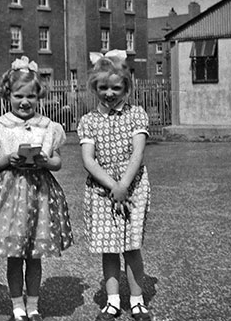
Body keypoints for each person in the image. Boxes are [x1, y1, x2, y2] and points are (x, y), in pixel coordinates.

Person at [0, 56, 74, 321]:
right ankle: (17, 305)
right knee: (15, 254)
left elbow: (58, 162)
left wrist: (46, 161)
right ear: (8, 95)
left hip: (39, 194)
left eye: (30, 96)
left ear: (39, 96)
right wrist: (7, 159)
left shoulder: (48, 127)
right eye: (18, 96)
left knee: (35, 254)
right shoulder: (0, 126)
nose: (24, 102)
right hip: (9, 194)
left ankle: (34, 304)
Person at [77, 50, 153, 321]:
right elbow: (89, 161)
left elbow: (137, 155)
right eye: (103, 87)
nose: (109, 93)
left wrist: (123, 185)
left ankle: (136, 300)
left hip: (132, 188)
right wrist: (112, 186)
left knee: (131, 247)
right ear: (94, 87)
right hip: (101, 190)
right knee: (108, 248)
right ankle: (111, 301)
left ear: (127, 87)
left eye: (116, 87)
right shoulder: (88, 121)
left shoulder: (136, 115)